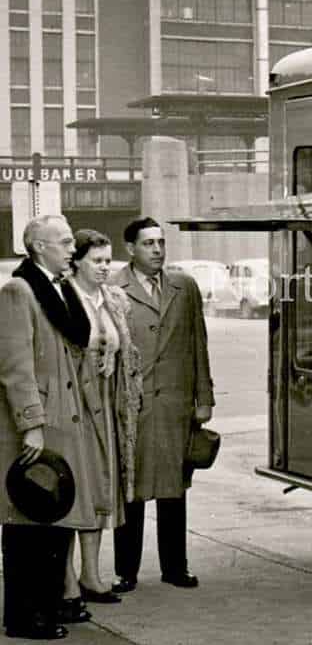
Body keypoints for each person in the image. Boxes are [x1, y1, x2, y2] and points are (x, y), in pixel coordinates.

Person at [0, 214, 98, 639]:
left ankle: (49, 605)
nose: (71, 248)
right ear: (38, 247)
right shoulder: (18, 291)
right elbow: (15, 368)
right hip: (41, 427)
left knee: (53, 520)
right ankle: (25, 617)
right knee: (27, 525)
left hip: (63, 423)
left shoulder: (57, 290)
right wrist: (30, 426)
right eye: (62, 242)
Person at [111, 217, 213, 591]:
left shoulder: (184, 287)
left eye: (161, 243)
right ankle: (126, 571)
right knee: (132, 490)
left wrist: (205, 397)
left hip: (175, 404)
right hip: (131, 406)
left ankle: (175, 567)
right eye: (148, 243)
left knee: (174, 489)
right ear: (130, 248)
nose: (157, 250)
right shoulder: (112, 288)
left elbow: (198, 344)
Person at [62, 230, 142, 605]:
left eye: (108, 260)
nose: (104, 267)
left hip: (108, 405)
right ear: (76, 261)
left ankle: (91, 574)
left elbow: (128, 352)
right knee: (74, 489)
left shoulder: (114, 299)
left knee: (101, 488)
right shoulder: (64, 298)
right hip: (76, 404)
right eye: (96, 260)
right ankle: (66, 581)